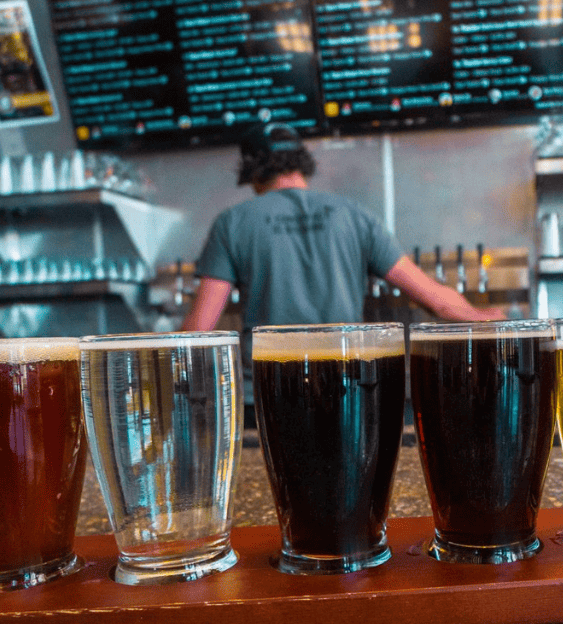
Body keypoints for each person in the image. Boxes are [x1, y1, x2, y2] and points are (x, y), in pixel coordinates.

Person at [182, 122, 504, 420]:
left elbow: (200, 330)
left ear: (251, 171)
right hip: (345, 384)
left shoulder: (233, 223)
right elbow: (437, 301)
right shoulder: (354, 216)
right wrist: (481, 315)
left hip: (268, 390)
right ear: (301, 163)